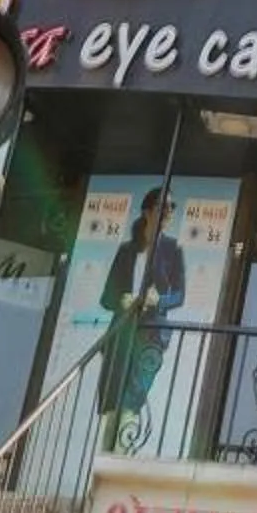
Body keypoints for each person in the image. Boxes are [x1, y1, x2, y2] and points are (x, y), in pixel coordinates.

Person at [98, 186, 187, 448]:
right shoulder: (127, 250)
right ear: (148, 212)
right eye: (164, 206)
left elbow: (180, 295)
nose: (169, 212)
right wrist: (121, 300)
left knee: (132, 401)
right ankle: (103, 464)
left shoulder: (173, 250)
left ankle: (120, 461)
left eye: (172, 207)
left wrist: (160, 300)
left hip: (152, 336)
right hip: (122, 332)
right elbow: (106, 297)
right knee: (112, 403)